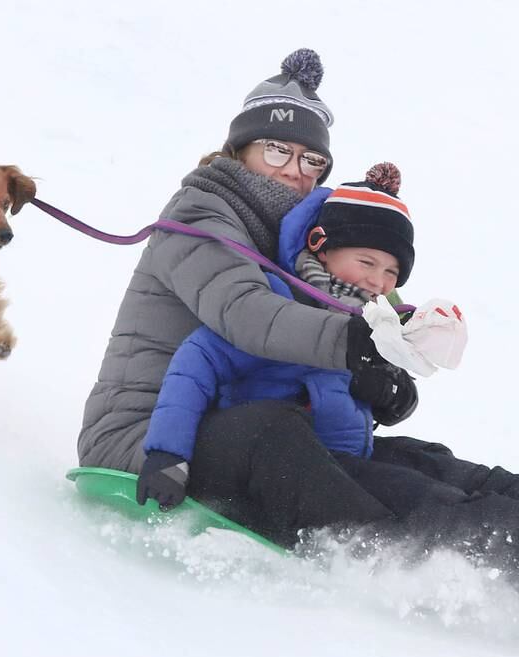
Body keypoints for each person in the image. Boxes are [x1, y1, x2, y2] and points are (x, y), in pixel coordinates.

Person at [77, 48, 519, 571]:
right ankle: (404, 557)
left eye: (311, 160)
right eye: (277, 151)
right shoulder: (201, 214)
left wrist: (384, 381)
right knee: (279, 435)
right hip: (149, 438)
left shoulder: (289, 239)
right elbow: (245, 314)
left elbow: (317, 356)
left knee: (410, 462)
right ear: (241, 149)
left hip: (241, 420)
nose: (295, 171)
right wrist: (356, 345)